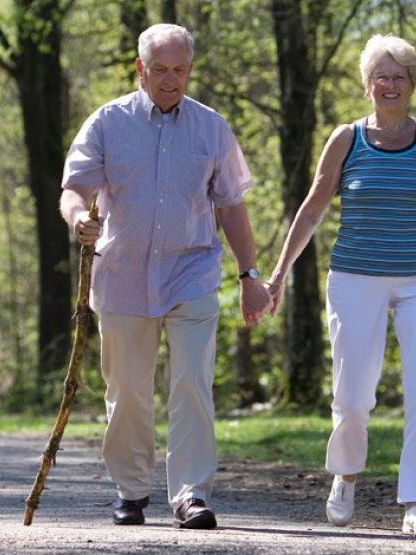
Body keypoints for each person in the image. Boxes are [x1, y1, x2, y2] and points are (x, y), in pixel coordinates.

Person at [265, 34, 416, 534]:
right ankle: (345, 475)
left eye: (399, 76)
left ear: (412, 84)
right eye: (381, 76)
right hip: (354, 277)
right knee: (353, 394)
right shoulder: (346, 139)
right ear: (367, 85)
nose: (390, 84)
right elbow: (313, 209)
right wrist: (279, 273)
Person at [59, 23, 271, 530]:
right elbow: (73, 189)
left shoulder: (211, 128)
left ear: (190, 70)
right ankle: (132, 491)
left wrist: (249, 275)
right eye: (160, 69)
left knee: (192, 383)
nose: (171, 79)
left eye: (180, 69)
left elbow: (231, 206)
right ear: (140, 69)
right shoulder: (107, 122)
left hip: (191, 272)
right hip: (122, 276)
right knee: (128, 391)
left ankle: (191, 494)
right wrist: (78, 218)